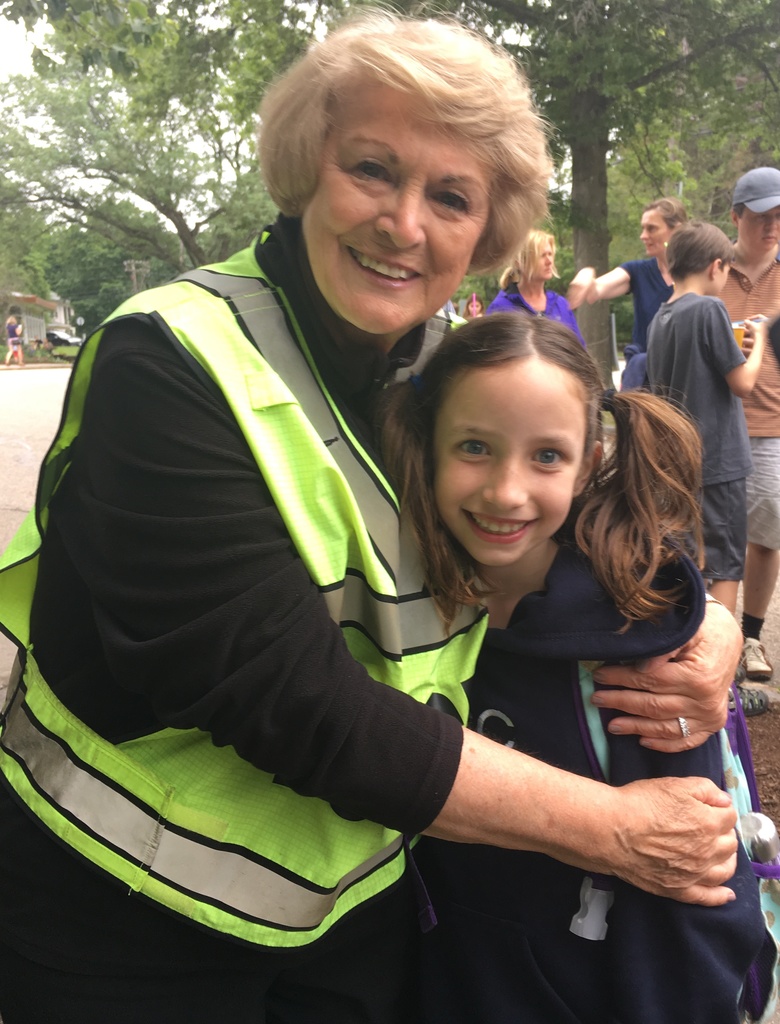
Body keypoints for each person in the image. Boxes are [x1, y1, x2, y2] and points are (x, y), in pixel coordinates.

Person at [0, 14, 741, 1023]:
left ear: (485, 232)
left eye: (451, 197)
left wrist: (709, 631)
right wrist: (611, 829)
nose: (403, 223)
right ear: (305, 167)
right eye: (371, 170)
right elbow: (289, 699)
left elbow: (581, 530)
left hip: (355, 913)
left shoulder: (439, 371)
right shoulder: (171, 358)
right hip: (124, 911)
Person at [378, 313, 769, 1023]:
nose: (507, 491)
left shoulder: (636, 647)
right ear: (427, 444)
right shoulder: (391, 599)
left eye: (547, 457)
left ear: (589, 464)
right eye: (474, 446)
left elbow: (694, 879)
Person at [647, 223, 768, 610]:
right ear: (716, 266)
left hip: (677, 466)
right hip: (718, 463)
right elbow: (743, 383)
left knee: (689, 563)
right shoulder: (709, 308)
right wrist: (760, 341)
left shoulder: (659, 319)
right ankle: (721, 648)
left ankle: (684, 637)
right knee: (725, 565)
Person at [720, 167, 780, 683]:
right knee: (714, 535)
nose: (772, 226)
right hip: (716, 424)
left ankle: (753, 637)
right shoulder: (713, 270)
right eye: (762, 216)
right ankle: (715, 636)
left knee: (766, 535)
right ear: (737, 216)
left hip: (774, 424)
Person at [567, 197, 688, 388]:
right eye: (643, 228)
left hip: (684, 377)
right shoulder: (637, 272)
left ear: (676, 230)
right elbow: (595, 289)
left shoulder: (696, 273)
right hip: (646, 382)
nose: (643, 236)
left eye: (651, 228)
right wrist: (586, 274)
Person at [487, 227, 586, 345]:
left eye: (550, 254)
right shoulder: (502, 307)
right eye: (542, 255)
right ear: (520, 263)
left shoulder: (561, 305)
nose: (549, 261)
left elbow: (579, 351)